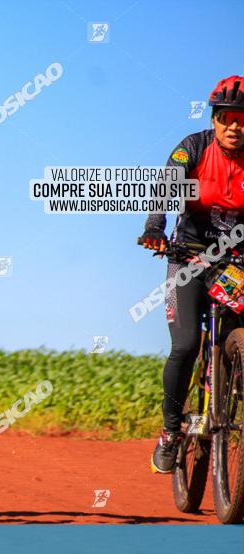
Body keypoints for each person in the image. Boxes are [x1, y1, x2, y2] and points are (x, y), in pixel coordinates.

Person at [141, 76, 244, 473]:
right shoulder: (194, 148)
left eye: (242, 119)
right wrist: (155, 228)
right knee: (185, 345)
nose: (235, 127)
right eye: (226, 118)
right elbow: (166, 187)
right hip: (189, 260)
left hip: (236, 266)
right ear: (215, 120)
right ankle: (170, 432)